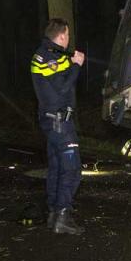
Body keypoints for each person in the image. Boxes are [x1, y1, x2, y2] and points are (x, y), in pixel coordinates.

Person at [30, 18, 86, 235]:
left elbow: (59, 72)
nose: (69, 38)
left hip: (50, 120)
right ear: (62, 35)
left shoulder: (46, 53)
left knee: (56, 167)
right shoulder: (47, 59)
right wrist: (76, 66)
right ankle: (63, 214)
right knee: (71, 170)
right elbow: (62, 88)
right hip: (59, 122)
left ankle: (54, 214)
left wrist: (70, 60)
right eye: (68, 35)